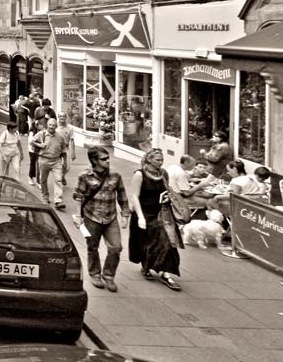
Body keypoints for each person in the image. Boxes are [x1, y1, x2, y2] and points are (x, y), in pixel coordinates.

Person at [73, 147, 131, 293]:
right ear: (94, 160)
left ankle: (109, 275)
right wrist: (78, 216)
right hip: (91, 217)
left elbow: (122, 195)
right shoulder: (84, 176)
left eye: (108, 158)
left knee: (116, 248)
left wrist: (125, 215)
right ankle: (95, 274)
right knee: (92, 247)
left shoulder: (115, 175)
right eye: (104, 159)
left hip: (111, 217)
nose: (108, 161)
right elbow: (79, 197)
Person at [127, 148, 183, 291]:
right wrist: (140, 217)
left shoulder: (163, 173)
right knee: (147, 242)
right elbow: (134, 196)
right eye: (158, 159)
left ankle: (166, 273)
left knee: (168, 241)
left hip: (161, 212)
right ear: (149, 160)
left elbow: (166, 190)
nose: (160, 162)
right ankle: (146, 266)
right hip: (145, 212)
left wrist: (167, 198)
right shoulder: (139, 175)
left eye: (161, 159)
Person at [35, 119, 69, 209]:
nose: (51, 127)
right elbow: (32, 142)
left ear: (56, 126)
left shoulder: (60, 137)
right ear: (47, 125)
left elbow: (64, 150)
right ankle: (45, 197)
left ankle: (58, 201)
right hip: (44, 159)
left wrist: (65, 162)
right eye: (50, 125)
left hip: (56, 161)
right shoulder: (41, 134)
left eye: (53, 125)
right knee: (43, 180)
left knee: (58, 180)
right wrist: (40, 145)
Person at [55, 115, 77, 191]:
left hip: (66, 147)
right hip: (56, 148)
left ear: (66, 118)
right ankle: (59, 180)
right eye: (60, 117)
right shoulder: (55, 126)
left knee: (67, 166)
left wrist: (73, 152)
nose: (62, 118)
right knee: (58, 165)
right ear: (58, 118)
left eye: (63, 117)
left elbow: (72, 140)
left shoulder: (70, 128)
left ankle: (63, 175)